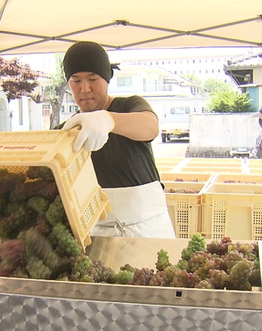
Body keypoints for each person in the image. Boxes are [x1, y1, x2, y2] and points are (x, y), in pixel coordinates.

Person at [59, 41, 175, 239]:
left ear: (107, 78)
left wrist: (108, 120)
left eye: (93, 79)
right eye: (76, 81)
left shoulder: (130, 106)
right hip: (96, 236)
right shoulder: (66, 130)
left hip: (149, 231)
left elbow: (150, 126)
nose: (85, 88)